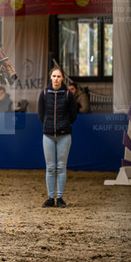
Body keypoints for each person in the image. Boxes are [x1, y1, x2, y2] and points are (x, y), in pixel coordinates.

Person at [37, 67, 77, 208]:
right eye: (54, 76)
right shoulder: (44, 94)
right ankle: (50, 198)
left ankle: (59, 198)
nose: (56, 79)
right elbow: (41, 115)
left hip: (64, 135)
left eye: (59, 76)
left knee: (61, 167)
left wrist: (64, 125)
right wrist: (48, 125)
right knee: (50, 168)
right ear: (50, 77)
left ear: (62, 79)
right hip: (48, 135)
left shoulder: (68, 95)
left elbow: (73, 115)